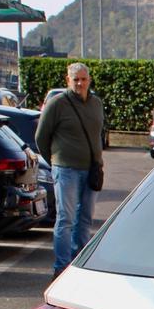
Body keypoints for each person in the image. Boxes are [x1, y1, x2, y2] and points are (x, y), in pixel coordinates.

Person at [35, 62, 105, 277]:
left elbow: (97, 134)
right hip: (66, 169)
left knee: (85, 219)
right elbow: (41, 137)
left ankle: (78, 265)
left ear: (89, 80)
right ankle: (61, 267)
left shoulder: (96, 103)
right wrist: (56, 161)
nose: (80, 83)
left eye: (83, 79)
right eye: (75, 80)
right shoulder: (57, 104)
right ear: (68, 80)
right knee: (66, 219)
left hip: (90, 169)